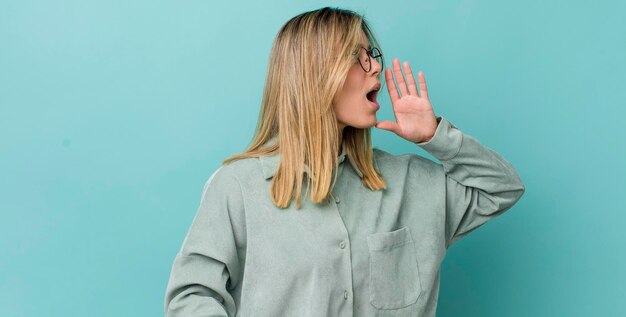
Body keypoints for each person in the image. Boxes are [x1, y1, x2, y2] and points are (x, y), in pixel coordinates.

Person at [164, 6, 525, 317]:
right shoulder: (238, 188)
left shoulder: (412, 183)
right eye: (359, 57)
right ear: (315, 74)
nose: (376, 70)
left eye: (373, 55)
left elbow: (502, 189)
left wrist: (435, 136)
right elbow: (192, 296)